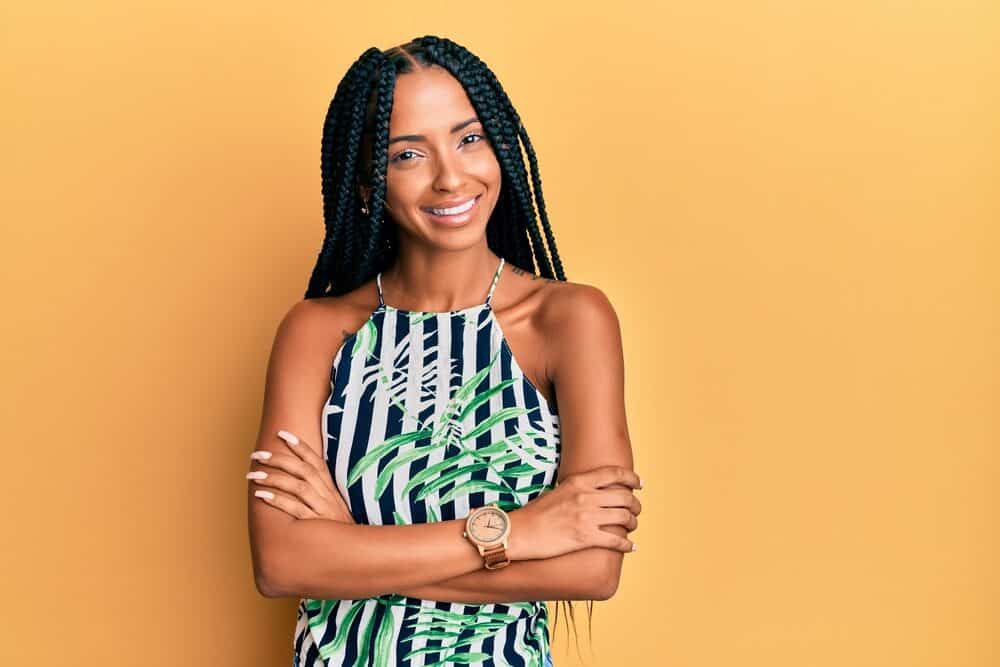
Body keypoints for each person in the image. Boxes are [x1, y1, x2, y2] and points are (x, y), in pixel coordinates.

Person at [246, 35, 641, 667]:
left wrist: (348, 551)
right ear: (371, 183)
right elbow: (282, 562)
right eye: (408, 154)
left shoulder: (568, 320)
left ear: (500, 149)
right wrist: (522, 532)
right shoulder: (317, 332)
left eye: (469, 138)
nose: (450, 176)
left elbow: (592, 570)